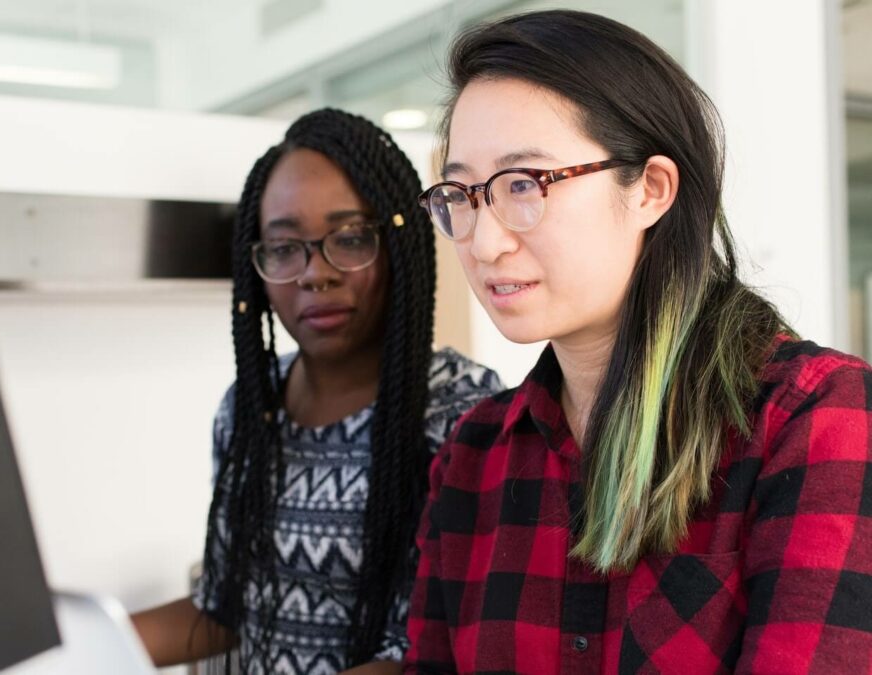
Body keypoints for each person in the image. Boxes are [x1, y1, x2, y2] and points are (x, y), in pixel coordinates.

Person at [406, 10, 872, 674]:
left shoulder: (810, 417)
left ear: (652, 188)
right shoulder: (474, 455)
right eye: (463, 194)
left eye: (523, 185)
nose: (483, 241)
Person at [131, 108, 503, 675]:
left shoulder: (462, 412)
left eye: (350, 238)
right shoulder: (249, 408)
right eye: (283, 248)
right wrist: (69, 645)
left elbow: (430, 652)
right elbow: (226, 611)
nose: (314, 274)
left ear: (398, 245)